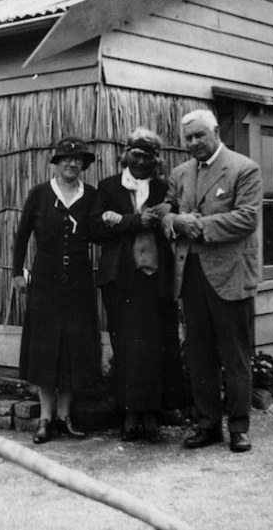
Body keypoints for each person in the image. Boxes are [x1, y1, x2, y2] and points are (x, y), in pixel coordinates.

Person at [161, 110, 262, 453]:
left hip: (230, 276)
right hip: (190, 275)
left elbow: (247, 219)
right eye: (188, 138)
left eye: (199, 136)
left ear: (216, 132)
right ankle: (208, 425)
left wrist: (198, 227)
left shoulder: (243, 168)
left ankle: (238, 427)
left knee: (235, 355)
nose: (193, 144)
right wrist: (175, 221)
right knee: (199, 354)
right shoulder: (180, 173)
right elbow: (166, 211)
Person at [92, 127, 185, 443]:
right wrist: (133, 221)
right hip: (121, 280)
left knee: (156, 344)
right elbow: (94, 228)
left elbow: (176, 222)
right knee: (126, 345)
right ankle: (130, 414)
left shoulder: (163, 189)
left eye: (149, 155)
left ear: (156, 159)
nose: (142, 160)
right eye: (137, 153)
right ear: (126, 154)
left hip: (156, 278)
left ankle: (151, 414)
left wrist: (163, 215)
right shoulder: (108, 187)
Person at [12, 136, 102, 444]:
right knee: (45, 346)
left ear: (84, 166)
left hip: (78, 280)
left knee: (73, 347)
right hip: (45, 281)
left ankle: (66, 415)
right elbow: (22, 235)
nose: (72, 164)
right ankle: (45, 418)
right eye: (66, 159)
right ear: (56, 162)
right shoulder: (39, 194)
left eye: (77, 160)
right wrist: (17, 274)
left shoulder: (90, 196)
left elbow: (99, 230)